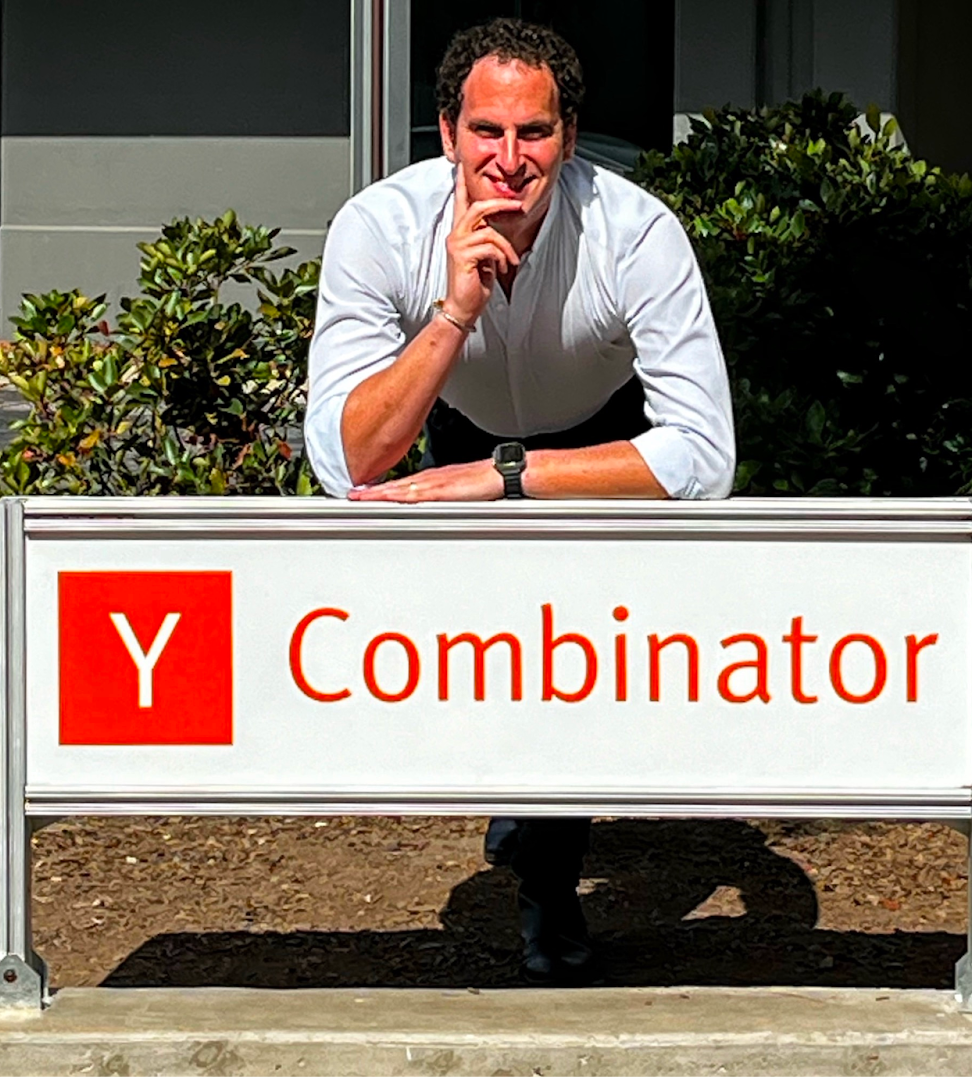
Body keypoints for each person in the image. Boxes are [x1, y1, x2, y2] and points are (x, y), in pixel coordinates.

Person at [303, 17, 735, 984]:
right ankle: (518, 783)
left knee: (566, 648)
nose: (509, 158)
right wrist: (454, 310)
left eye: (534, 132)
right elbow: (347, 460)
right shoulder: (378, 227)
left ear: (569, 139)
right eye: (486, 131)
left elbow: (704, 453)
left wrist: (513, 475)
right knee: (486, 655)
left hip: (596, 437)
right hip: (453, 421)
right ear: (446, 132)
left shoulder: (637, 232)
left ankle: (547, 885)